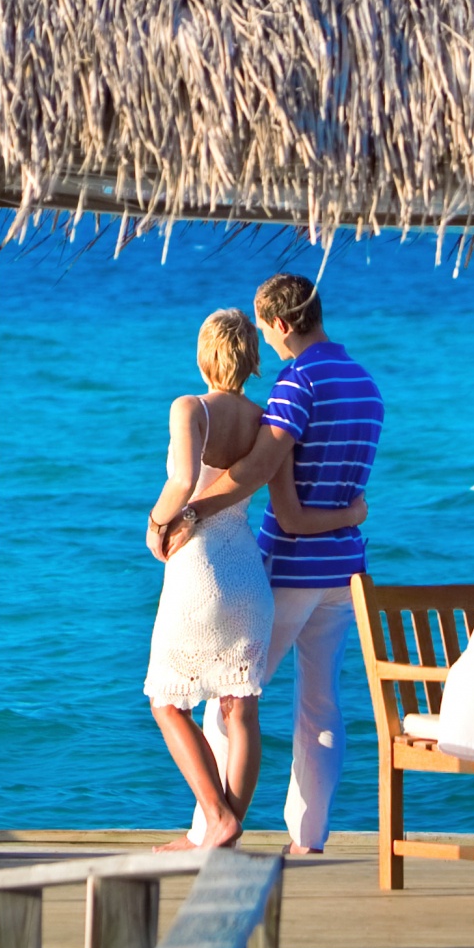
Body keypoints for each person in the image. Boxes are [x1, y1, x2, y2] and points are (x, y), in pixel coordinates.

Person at [162, 272, 384, 855]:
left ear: (281, 325)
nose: (267, 340)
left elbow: (262, 475)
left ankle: (208, 827)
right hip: (346, 571)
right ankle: (308, 839)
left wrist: (186, 514)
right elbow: (343, 491)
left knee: (228, 700)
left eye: (265, 328)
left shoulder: (296, 383)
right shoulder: (366, 384)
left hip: (288, 569)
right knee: (321, 701)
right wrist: (351, 516)